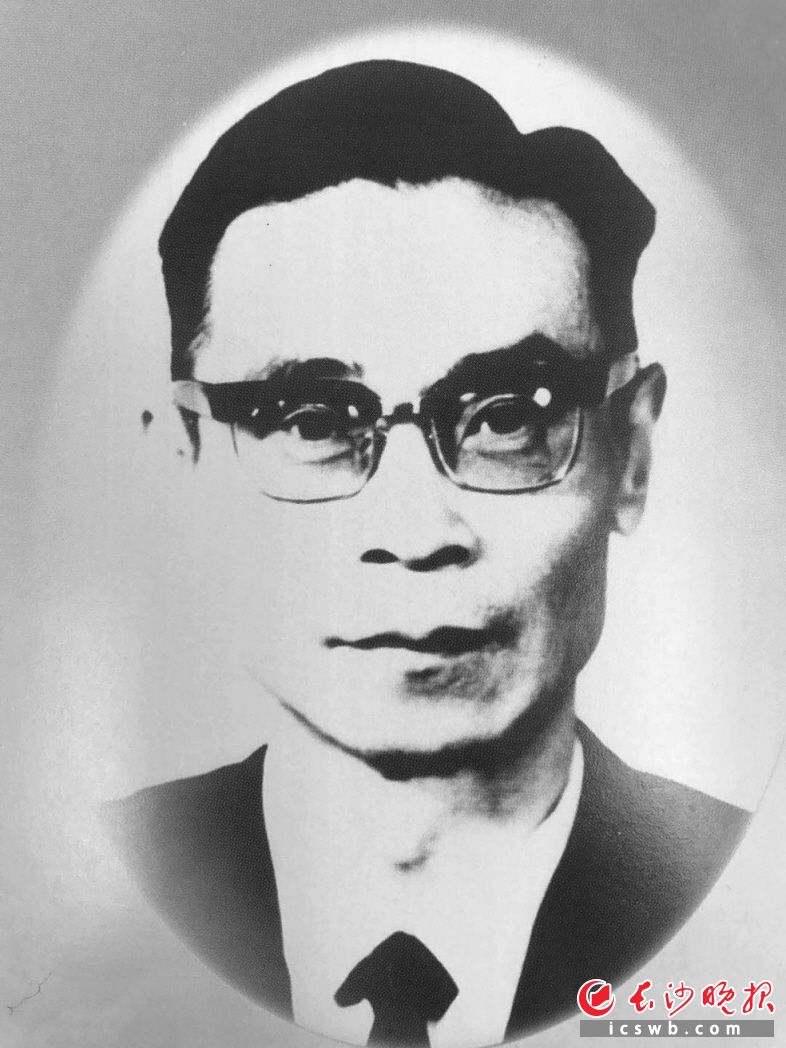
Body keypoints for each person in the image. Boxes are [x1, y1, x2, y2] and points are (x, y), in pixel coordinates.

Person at [104, 60, 749, 1046]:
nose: (416, 534)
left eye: (507, 417)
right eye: (312, 419)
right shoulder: (89, 897)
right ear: (184, 464)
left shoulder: (749, 901)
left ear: (631, 454)